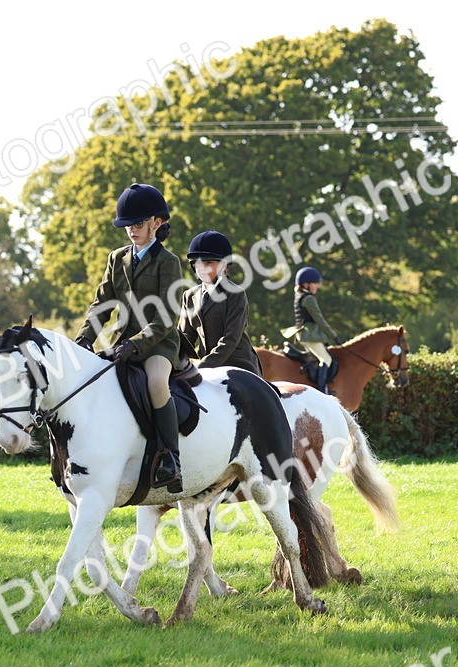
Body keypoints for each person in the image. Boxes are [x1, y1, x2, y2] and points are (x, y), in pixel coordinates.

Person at [75, 183, 184, 492]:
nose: (132, 231)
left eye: (138, 224)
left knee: (155, 384)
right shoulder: (117, 259)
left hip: (159, 345)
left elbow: (166, 318)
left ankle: (171, 460)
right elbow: (103, 303)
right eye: (128, 226)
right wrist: (84, 339)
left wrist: (137, 343)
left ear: (157, 223)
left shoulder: (168, 262)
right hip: (122, 343)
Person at [177, 230, 262, 377]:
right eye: (197, 263)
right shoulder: (189, 296)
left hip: (237, 364)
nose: (201, 268)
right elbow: (185, 337)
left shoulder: (236, 294)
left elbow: (231, 339)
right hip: (203, 365)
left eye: (208, 262)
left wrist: (203, 366)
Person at [281, 266, 342, 394]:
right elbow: (320, 320)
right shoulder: (308, 299)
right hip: (309, 335)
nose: (317, 286)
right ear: (306, 284)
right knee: (326, 360)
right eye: (314, 283)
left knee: (318, 359)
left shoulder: (300, 295)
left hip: (303, 334)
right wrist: (334, 336)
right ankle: (322, 390)